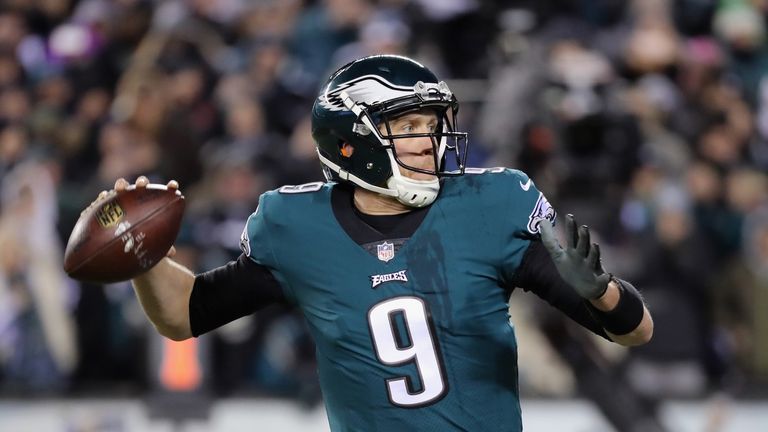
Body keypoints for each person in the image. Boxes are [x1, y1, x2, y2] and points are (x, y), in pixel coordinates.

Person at [100, 55, 653, 431]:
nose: (430, 142)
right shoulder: (296, 227)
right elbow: (184, 315)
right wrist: (142, 251)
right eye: (408, 126)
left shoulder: (491, 206)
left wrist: (601, 293)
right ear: (351, 144)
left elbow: (635, 331)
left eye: (432, 124)